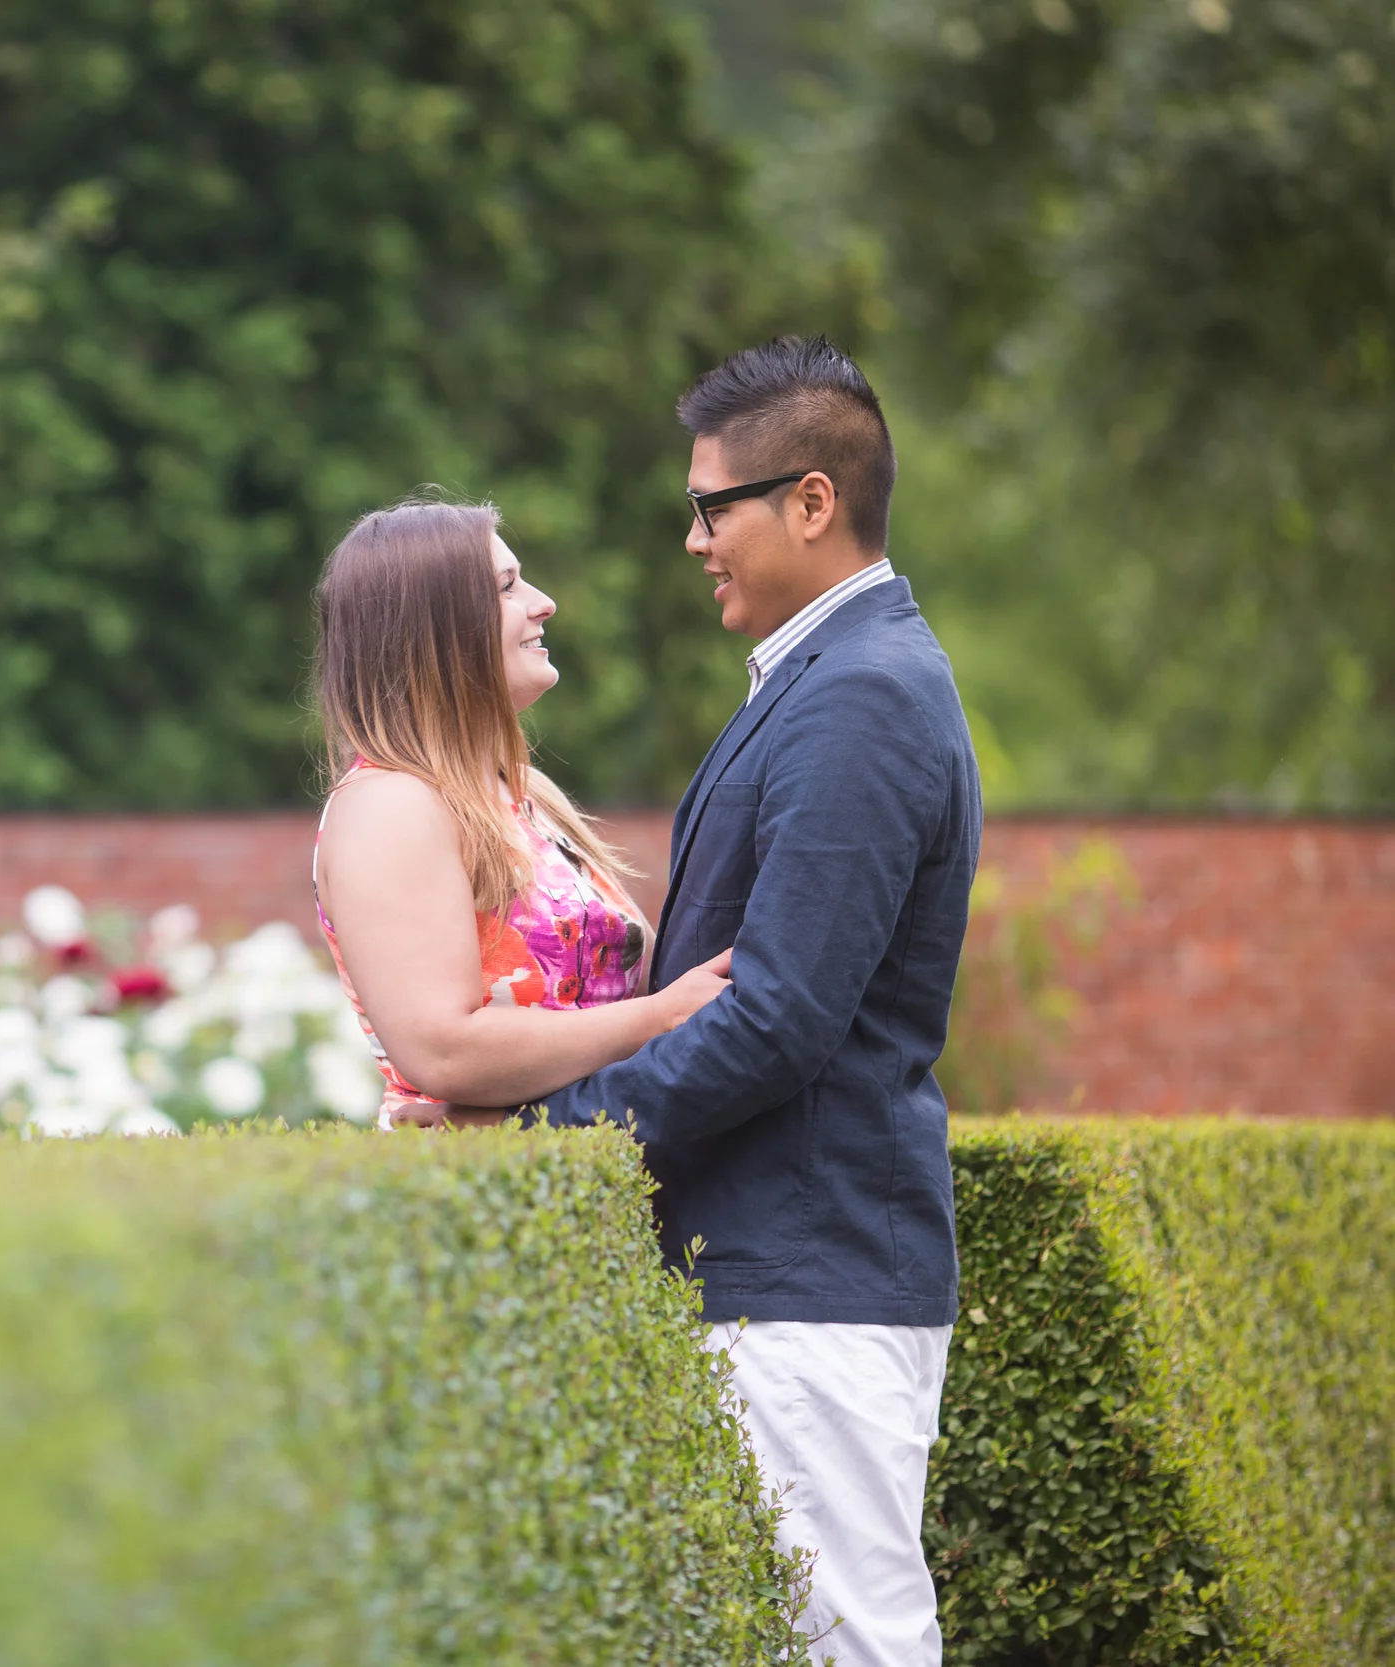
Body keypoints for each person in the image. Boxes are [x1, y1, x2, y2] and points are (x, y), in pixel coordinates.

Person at [529, 336, 982, 1667]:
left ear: (811, 501)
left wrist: (555, 1134)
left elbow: (777, 1019)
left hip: (809, 1278)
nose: (693, 540)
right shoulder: (830, 677)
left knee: (846, 1646)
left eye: (710, 507)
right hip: (788, 1274)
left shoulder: (862, 696)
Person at [310, 498, 735, 1128]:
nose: (544, 604)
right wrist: (659, 1017)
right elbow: (442, 1050)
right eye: (507, 587)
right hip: (476, 1181)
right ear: (435, 627)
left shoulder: (524, 790)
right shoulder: (389, 804)